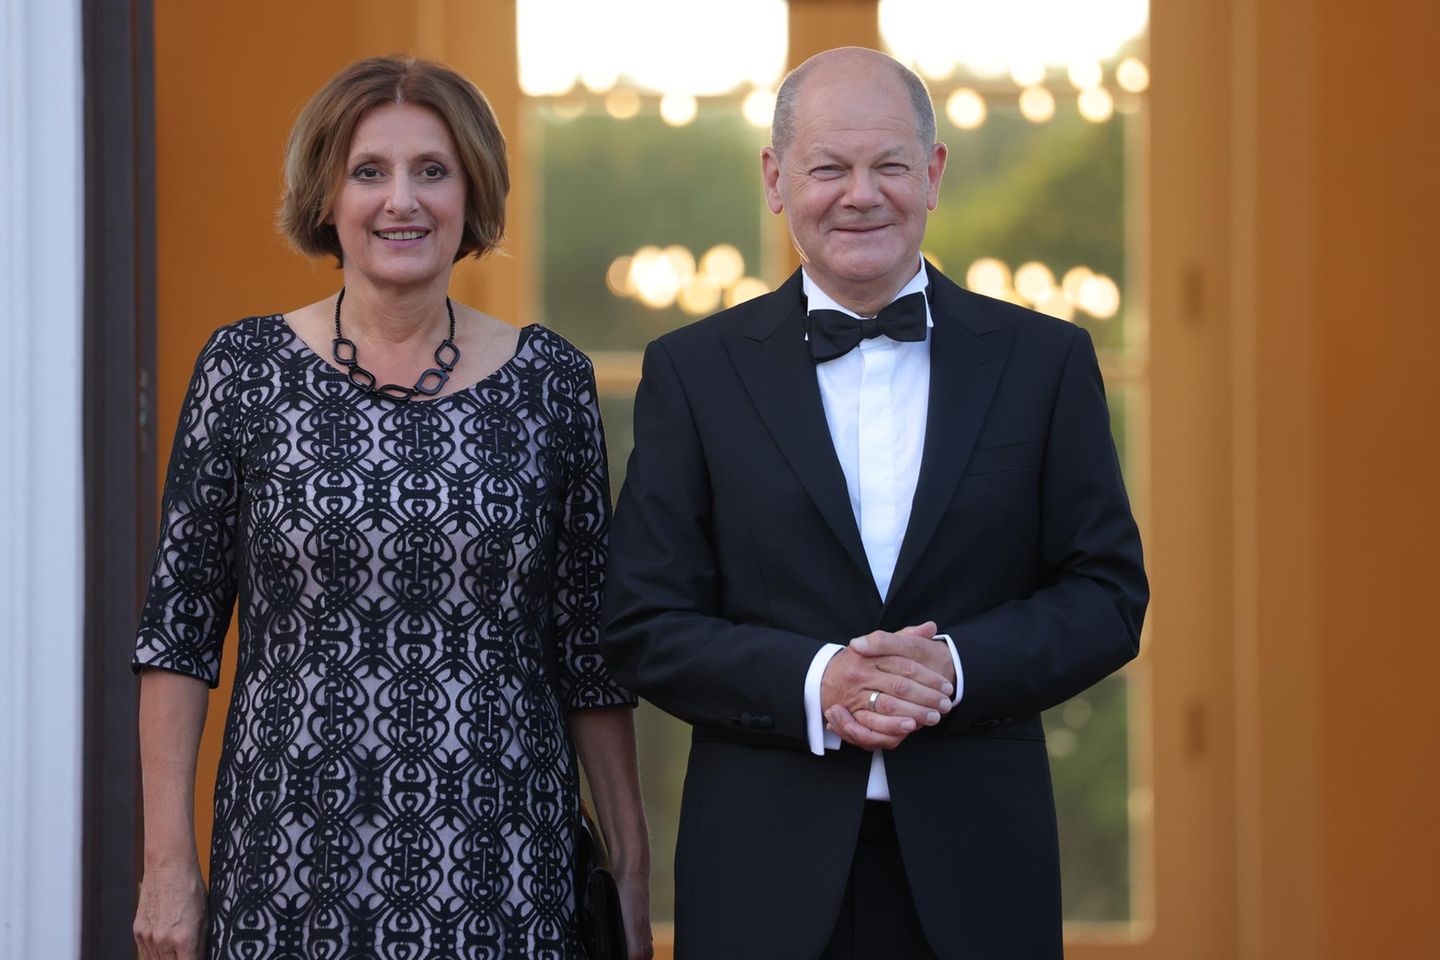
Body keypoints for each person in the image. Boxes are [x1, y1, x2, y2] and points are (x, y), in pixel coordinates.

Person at [601, 46, 1147, 959]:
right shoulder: (692, 372)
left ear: (933, 174)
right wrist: (818, 681)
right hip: (759, 872)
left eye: (889, 165)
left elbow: (1107, 596)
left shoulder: (1046, 363)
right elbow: (643, 620)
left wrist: (956, 667)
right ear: (775, 180)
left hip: (982, 869)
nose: (860, 195)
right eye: (828, 168)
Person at [131, 56, 652, 960]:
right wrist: (167, 865)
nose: (400, 201)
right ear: (327, 196)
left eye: (432, 171)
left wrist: (631, 877)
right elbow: (178, 637)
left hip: (504, 869)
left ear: (471, 191)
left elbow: (588, 660)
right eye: (369, 171)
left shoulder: (552, 383)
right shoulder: (243, 372)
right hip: (286, 864)